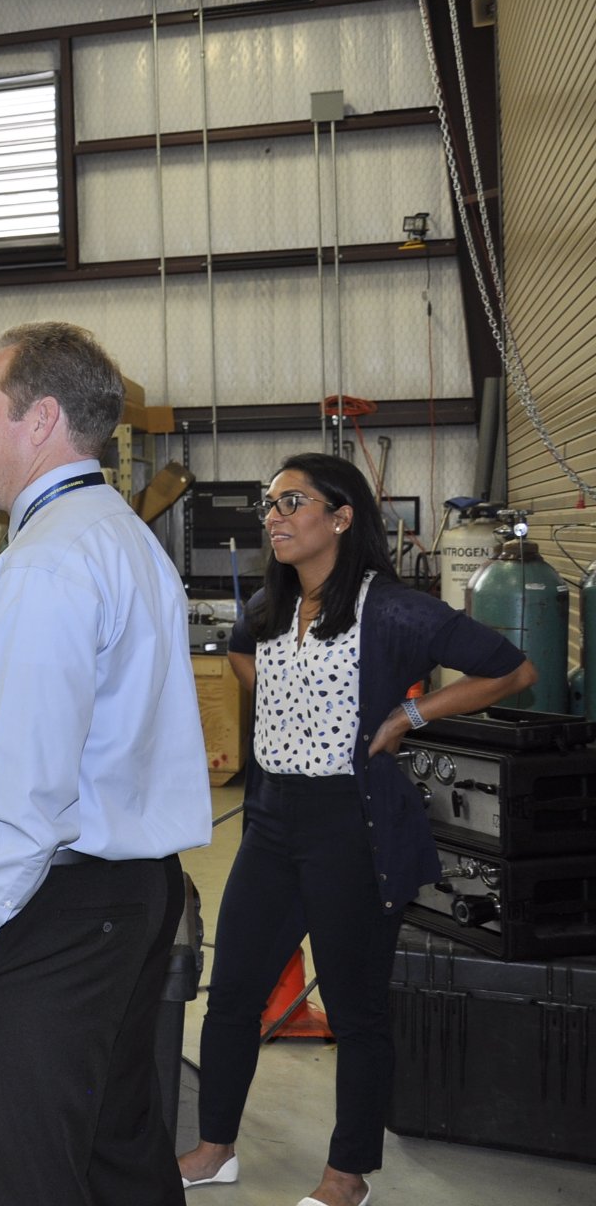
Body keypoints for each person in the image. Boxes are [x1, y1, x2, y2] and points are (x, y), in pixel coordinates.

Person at [178, 453, 535, 1206]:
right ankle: (215, 1148)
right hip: (272, 822)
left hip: (351, 828)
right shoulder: (270, 607)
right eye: (268, 504)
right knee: (234, 992)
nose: (273, 516)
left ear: (340, 517)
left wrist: (411, 714)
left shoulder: (393, 609)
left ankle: (348, 1174)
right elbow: (243, 658)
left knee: (355, 1007)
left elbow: (510, 669)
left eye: (291, 501)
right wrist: (287, 705)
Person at [0, 323, 212, 1206]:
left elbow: (29, 781)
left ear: (41, 419)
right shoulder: (121, 537)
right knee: (116, 1149)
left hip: (47, 903)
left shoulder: (49, 566)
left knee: (16, 1168)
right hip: (131, 896)